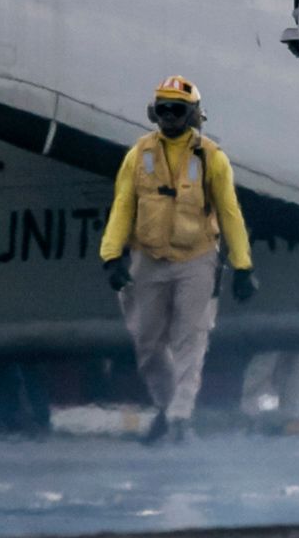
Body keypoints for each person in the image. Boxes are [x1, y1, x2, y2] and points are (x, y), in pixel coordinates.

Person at [98, 75, 255, 443]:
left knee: (191, 340)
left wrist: (243, 265)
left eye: (178, 110)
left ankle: (181, 416)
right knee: (148, 345)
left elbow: (230, 212)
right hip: (147, 258)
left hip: (196, 258)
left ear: (193, 114)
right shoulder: (139, 155)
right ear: (154, 113)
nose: (170, 117)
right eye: (164, 110)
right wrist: (111, 255)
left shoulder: (212, 158)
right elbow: (122, 205)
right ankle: (169, 409)